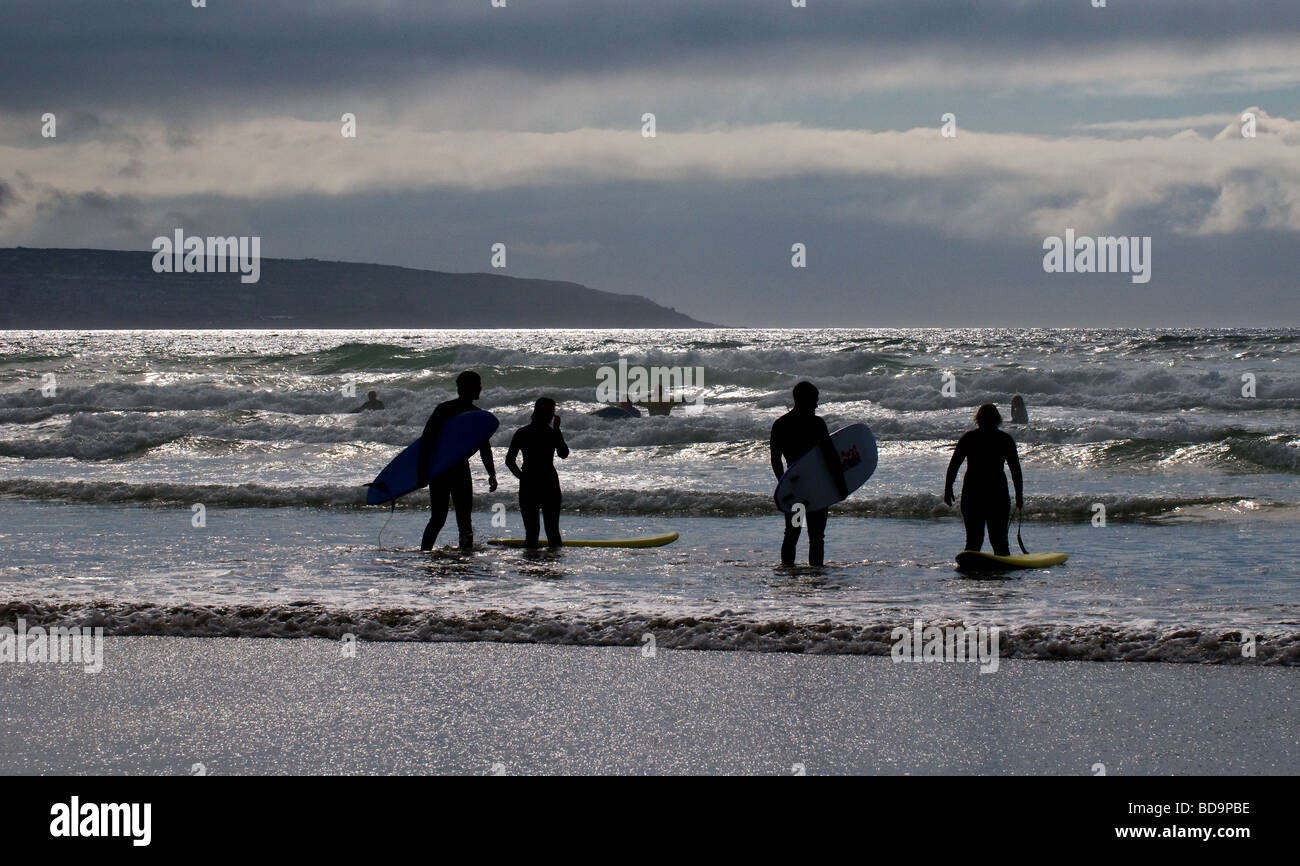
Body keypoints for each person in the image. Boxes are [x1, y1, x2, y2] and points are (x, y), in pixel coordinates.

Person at [417, 371, 497, 551]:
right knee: (449, 518)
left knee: (449, 518)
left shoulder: (471, 413)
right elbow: (427, 440)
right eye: (477, 385)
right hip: (446, 470)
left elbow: (484, 446)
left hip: (447, 469)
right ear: (466, 388)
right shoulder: (446, 410)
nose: (480, 388)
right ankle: (452, 553)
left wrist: (491, 473)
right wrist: (422, 471)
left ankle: (429, 552)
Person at [770, 381, 846, 567]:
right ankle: (816, 576)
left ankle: (788, 573)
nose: (816, 405)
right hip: (817, 489)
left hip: (796, 491)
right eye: (814, 400)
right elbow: (830, 458)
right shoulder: (816, 424)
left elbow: (776, 460)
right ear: (803, 400)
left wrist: (784, 485)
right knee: (816, 537)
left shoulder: (781, 424)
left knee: (793, 534)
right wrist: (840, 485)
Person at [944, 403, 1023, 555]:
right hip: (997, 494)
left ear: (978, 419)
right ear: (997, 419)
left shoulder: (969, 438)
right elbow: (1015, 471)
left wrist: (948, 489)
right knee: (999, 542)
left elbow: (953, 465)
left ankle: (970, 573)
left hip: (973, 494)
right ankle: (1001, 575)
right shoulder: (1004, 439)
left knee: (973, 542)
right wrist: (1019, 495)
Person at [505, 397, 569, 549]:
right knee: (552, 531)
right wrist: (557, 431)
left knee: (532, 532)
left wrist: (521, 476)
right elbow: (564, 453)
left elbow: (509, 461)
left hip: (529, 482)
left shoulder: (523, 432)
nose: (552, 415)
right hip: (549, 482)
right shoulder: (551, 433)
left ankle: (532, 566)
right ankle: (553, 566)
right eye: (551, 411)